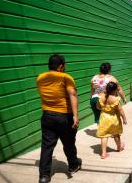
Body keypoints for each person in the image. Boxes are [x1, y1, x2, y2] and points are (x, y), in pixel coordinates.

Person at [37, 54, 81, 183]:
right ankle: (73, 165)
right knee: (68, 143)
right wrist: (75, 116)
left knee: (47, 146)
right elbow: (72, 95)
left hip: (47, 115)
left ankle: (44, 176)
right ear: (61, 66)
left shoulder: (40, 77)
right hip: (64, 116)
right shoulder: (65, 77)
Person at [96, 82, 127, 159]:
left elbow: (98, 107)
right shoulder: (115, 99)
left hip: (104, 118)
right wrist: (124, 118)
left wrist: (104, 109)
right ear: (115, 90)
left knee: (104, 136)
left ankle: (103, 153)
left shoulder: (101, 97)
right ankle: (119, 147)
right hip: (114, 118)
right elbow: (120, 110)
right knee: (116, 134)